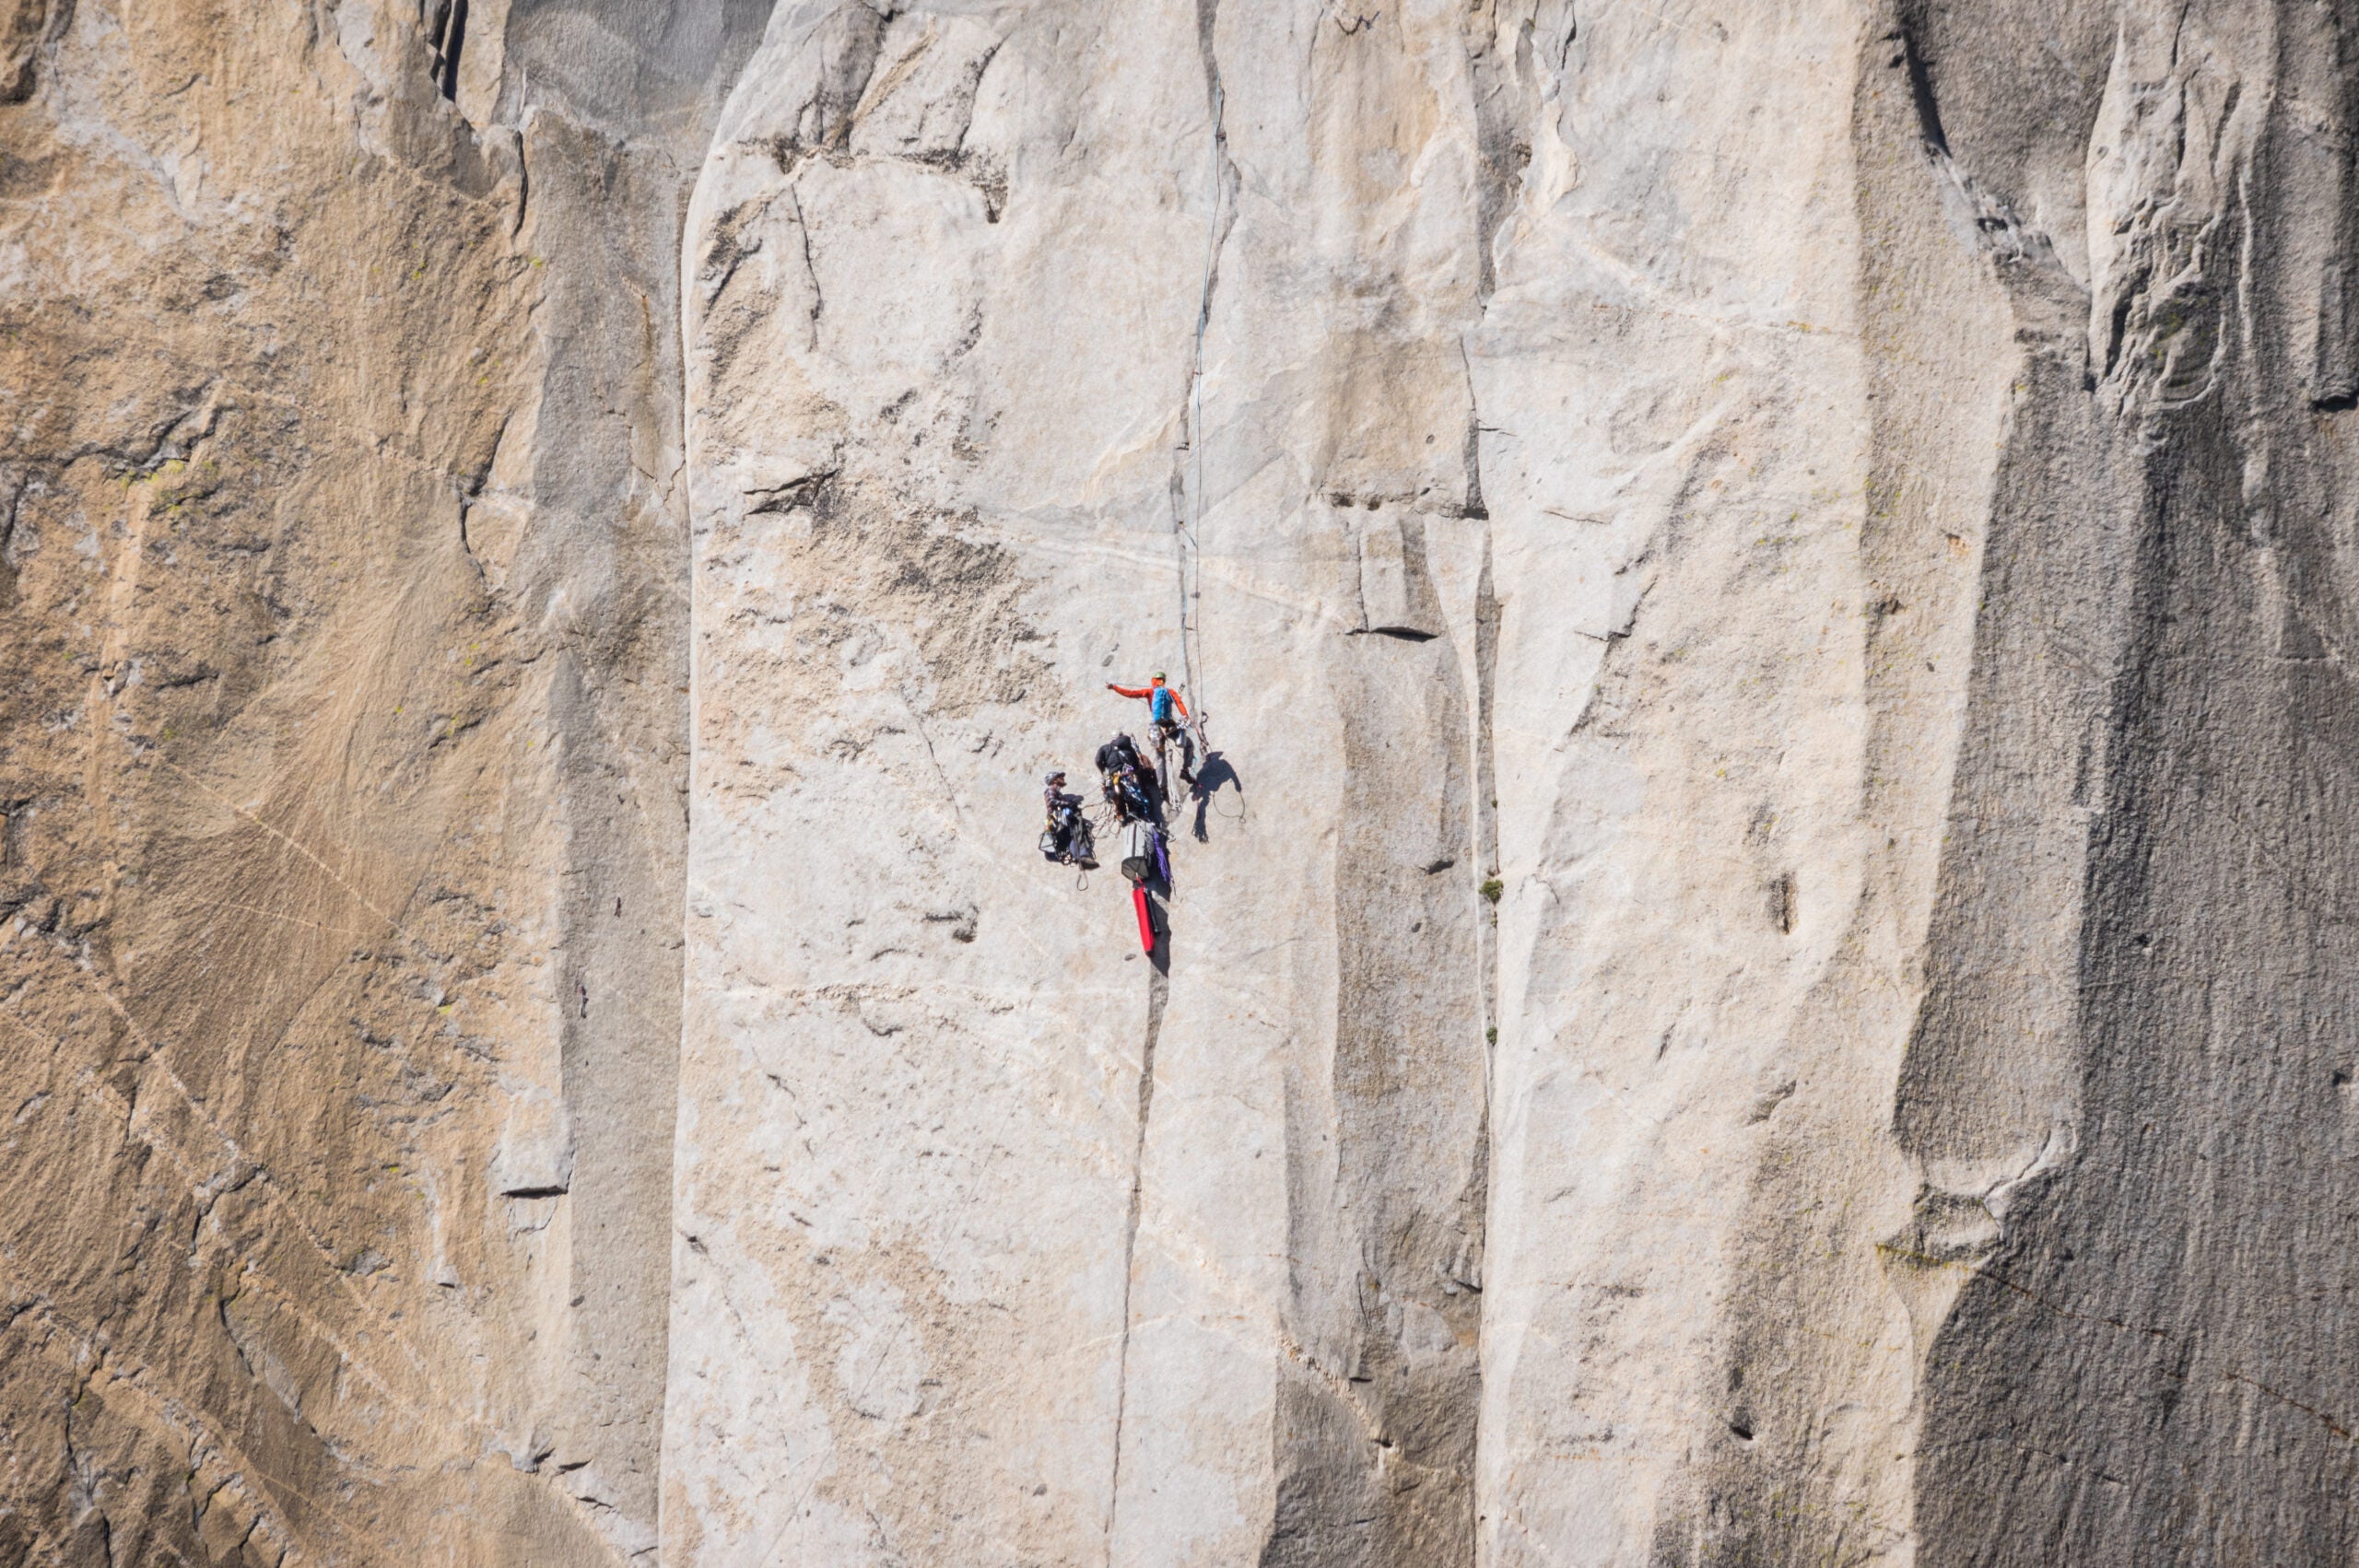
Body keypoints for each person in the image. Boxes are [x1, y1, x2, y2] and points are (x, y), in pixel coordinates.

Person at [1108, 672, 1196, 787]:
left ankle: (1162, 786)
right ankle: (1185, 770)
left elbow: (1130, 693)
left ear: (1153, 681)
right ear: (1163, 681)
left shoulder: (1150, 692)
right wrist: (1185, 716)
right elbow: (1179, 703)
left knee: (1160, 757)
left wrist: (1114, 687)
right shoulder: (1169, 691)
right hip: (1169, 726)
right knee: (1188, 744)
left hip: (1154, 728)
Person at [1094, 733, 1156, 822]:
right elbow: (1135, 763)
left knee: (1115, 793)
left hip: (1114, 776)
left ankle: (1121, 814)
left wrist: (1104, 772)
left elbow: (1098, 760)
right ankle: (1133, 810)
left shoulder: (1105, 748)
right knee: (1132, 792)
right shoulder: (1128, 747)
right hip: (1129, 775)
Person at [1041, 771, 1093, 865]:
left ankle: (1080, 854)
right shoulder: (1050, 790)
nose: (1063, 779)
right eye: (1060, 777)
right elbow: (1052, 801)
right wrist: (1067, 803)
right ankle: (1081, 855)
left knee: (1078, 832)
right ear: (1054, 780)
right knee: (1074, 833)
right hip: (1059, 818)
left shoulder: (1057, 792)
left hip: (1061, 818)